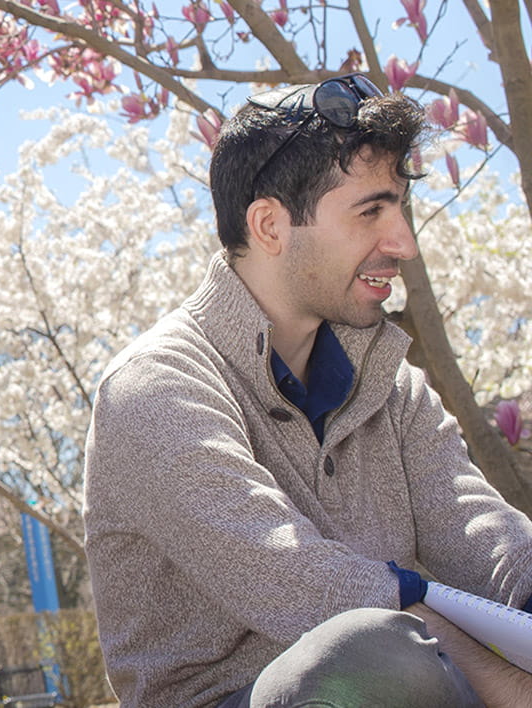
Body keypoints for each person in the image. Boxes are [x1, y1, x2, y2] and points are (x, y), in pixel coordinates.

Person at [83, 73, 532, 707]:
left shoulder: (389, 381)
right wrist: (501, 681)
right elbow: (295, 583)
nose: (403, 242)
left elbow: (476, 529)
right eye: (371, 211)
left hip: (410, 666)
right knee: (379, 661)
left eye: (400, 207)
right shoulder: (155, 388)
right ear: (269, 226)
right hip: (252, 695)